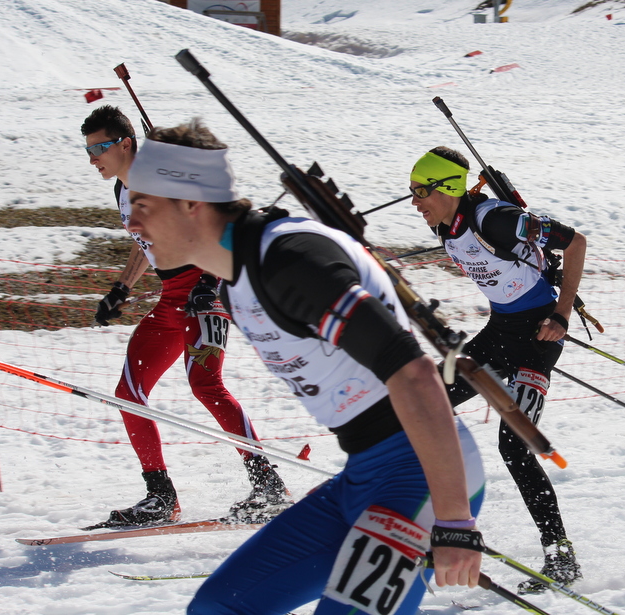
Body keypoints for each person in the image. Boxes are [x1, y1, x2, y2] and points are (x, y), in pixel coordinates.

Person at [125, 120, 487, 615]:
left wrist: (454, 521)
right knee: (218, 607)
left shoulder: (287, 262)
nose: (132, 223)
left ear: (190, 203)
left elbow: (415, 373)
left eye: (144, 205)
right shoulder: (237, 278)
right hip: (364, 476)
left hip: (420, 479)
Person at [80, 106, 288, 527]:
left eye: (99, 148)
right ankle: (161, 496)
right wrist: (121, 289)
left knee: (205, 384)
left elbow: (221, 225)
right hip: (171, 300)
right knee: (128, 393)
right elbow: (144, 239)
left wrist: (209, 283)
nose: (92, 159)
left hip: (205, 295)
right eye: (87, 150)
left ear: (126, 144)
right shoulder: (124, 190)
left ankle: (268, 486)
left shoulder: (165, 178)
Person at [409, 147, 586, 594]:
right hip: (500, 334)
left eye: (421, 191)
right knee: (424, 405)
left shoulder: (498, 219)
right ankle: (420, 523)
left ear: (448, 188)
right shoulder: (443, 224)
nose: (414, 201)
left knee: (515, 445)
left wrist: (562, 315)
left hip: (537, 339)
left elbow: (576, 242)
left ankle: (560, 555)